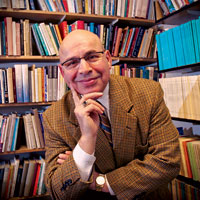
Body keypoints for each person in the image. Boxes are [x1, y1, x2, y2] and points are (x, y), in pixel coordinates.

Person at [43, 30, 180, 200]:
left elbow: (168, 162)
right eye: (72, 62)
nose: (84, 69)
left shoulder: (149, 93)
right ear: (62, 73)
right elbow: (59, 192)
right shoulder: (53, 118)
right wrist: (87, 138)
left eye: (92, 56)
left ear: (108, 59)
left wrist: (101, 182)